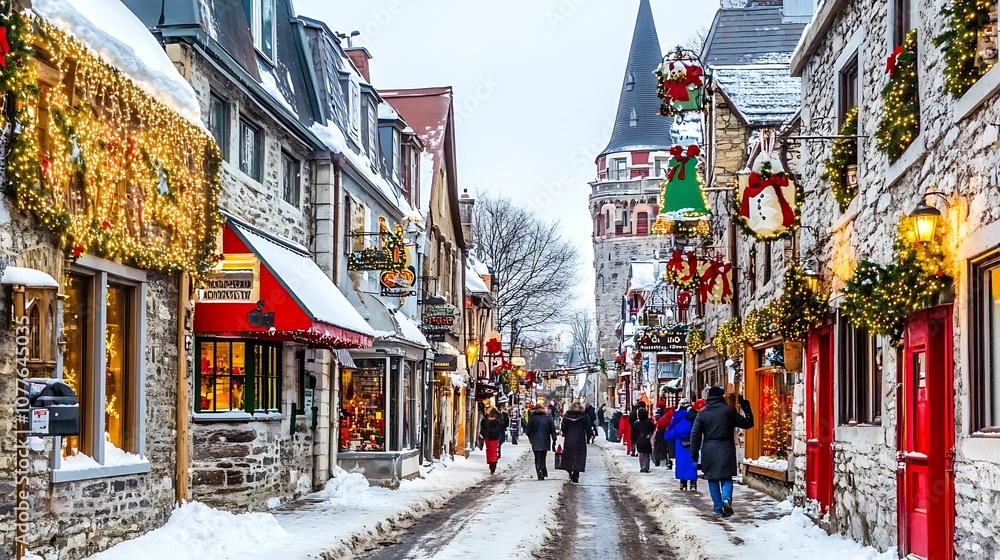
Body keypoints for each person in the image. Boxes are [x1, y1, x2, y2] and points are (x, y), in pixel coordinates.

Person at [690, 387, 754, 517]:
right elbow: (748, 424)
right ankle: (726, 499)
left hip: (709, 448)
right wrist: (745, 406)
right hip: (726, 447)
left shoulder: (702, 413)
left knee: (712, 479)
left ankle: (718, 508)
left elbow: (695, 435)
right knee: (726, 477)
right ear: (722, 396)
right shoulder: (729, 411)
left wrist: (694, 453)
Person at [666, 400, 698, 490]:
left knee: (681, 462)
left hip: (679, 442)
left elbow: (671, 429)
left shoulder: (676, 416)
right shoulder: (692, 416)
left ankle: (683, 483)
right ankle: (693, 482)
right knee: (692, 461)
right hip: (692, 440)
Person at [559, 402, 589, 483]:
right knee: (578, 456)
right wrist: (588, 437)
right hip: (580, 439)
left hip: (569, 438)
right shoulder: (584, 416)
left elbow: (563, 427)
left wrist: (566, 434)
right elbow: (588, 427)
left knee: (569, 456)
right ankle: (576, 473)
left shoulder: (566, 416)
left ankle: (570, 470)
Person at [526, 403, 557, 480]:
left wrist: (531, 438)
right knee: (543, 456)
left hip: (535, 440)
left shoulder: (532, 418)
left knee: (537, 457)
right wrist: (554, 439)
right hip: (545, 440)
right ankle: (543, 470)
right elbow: (552, 429)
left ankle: (539, 471)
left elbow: (528, 430)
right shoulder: (548, 417)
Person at [480, 407, 507, 475]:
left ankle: (491, 462)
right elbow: (503, 425)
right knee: (494, 450)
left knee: (489, 450)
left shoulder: (484, 420)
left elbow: (482, 429)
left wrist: (484, 434)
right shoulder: (498, 421)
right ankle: (493, 462)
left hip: (488, 437)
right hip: (495, 437)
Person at [633, 407, 656, 472]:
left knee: (641, 453)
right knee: (647, 454)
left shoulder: (636, 423)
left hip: (639, 440)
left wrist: (634, 439)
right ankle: (646, 466)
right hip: (647, 440)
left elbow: (634, 433)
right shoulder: (649, 423)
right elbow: (653, 430)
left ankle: (642, 466)